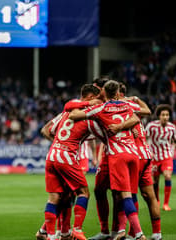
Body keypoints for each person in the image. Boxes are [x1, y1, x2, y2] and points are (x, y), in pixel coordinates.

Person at [69, 80, 148, 240]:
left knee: (124, 195)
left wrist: (84, 105)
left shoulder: (101, 107)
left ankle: (137, 234)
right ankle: (121, 232)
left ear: (104, 91)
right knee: (127, 193)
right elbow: (141, 115)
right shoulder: (127, 105)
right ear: (118, 91)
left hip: (117, 155)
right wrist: (123, 124)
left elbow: (73, 115)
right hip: (133, 154)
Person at [42, 84, 109, 240]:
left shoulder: (66, 112)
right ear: (91, 98)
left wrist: (59, 143)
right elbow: (106, 137)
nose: (100, 103)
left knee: (56, 198)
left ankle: (51, 236)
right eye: (98, 99)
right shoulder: (88, 117)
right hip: (67, 157)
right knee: (83, 193)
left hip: (52, 155)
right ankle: (77, 229)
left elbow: (48, 130)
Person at [118, 83, 162, 240]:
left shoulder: (119, 107)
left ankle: (132, 232)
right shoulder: (133, 106)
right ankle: (157, 234)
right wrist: (136, 99)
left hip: (134, 156)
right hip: (146, 155)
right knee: (150, 196)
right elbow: (148, 111)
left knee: (128, 194)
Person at [146, 104, 176, 211]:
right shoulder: (151, 126)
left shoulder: (172, 127)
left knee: (167, 176)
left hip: (167, 156)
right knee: (155, 181)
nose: (165, 117)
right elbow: (143, 139)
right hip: (154, 158)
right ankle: (157, 201)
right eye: (163, 115)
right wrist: (147, 150)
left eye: (167, 115)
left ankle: (166, 204)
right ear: (159, 116)